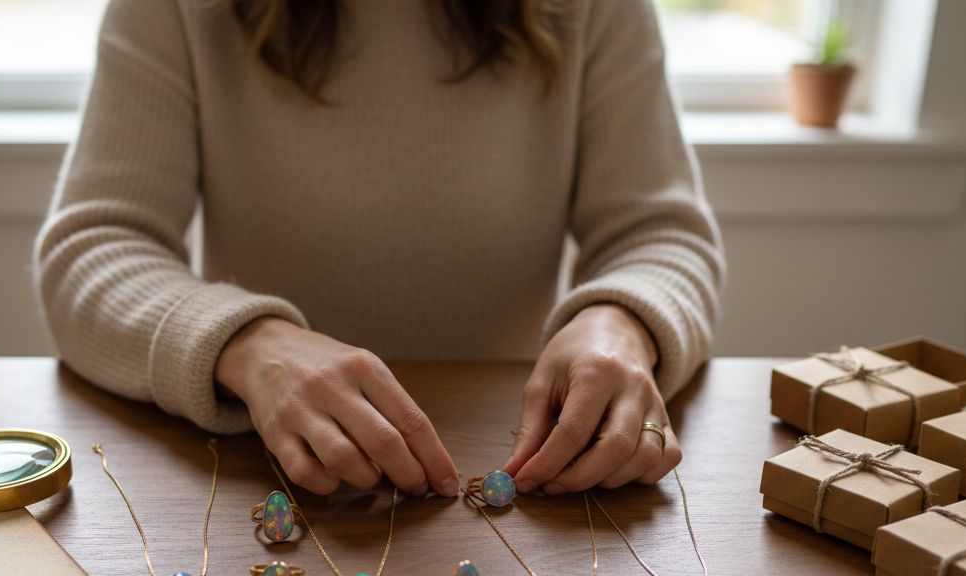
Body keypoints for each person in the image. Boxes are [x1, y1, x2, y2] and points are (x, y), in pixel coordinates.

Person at [35, 0, 724, 500]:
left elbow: (660, 236)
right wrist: (245, 344)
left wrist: (621, 322)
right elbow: (93, 248)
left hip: (524, 468)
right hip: (263, 474)